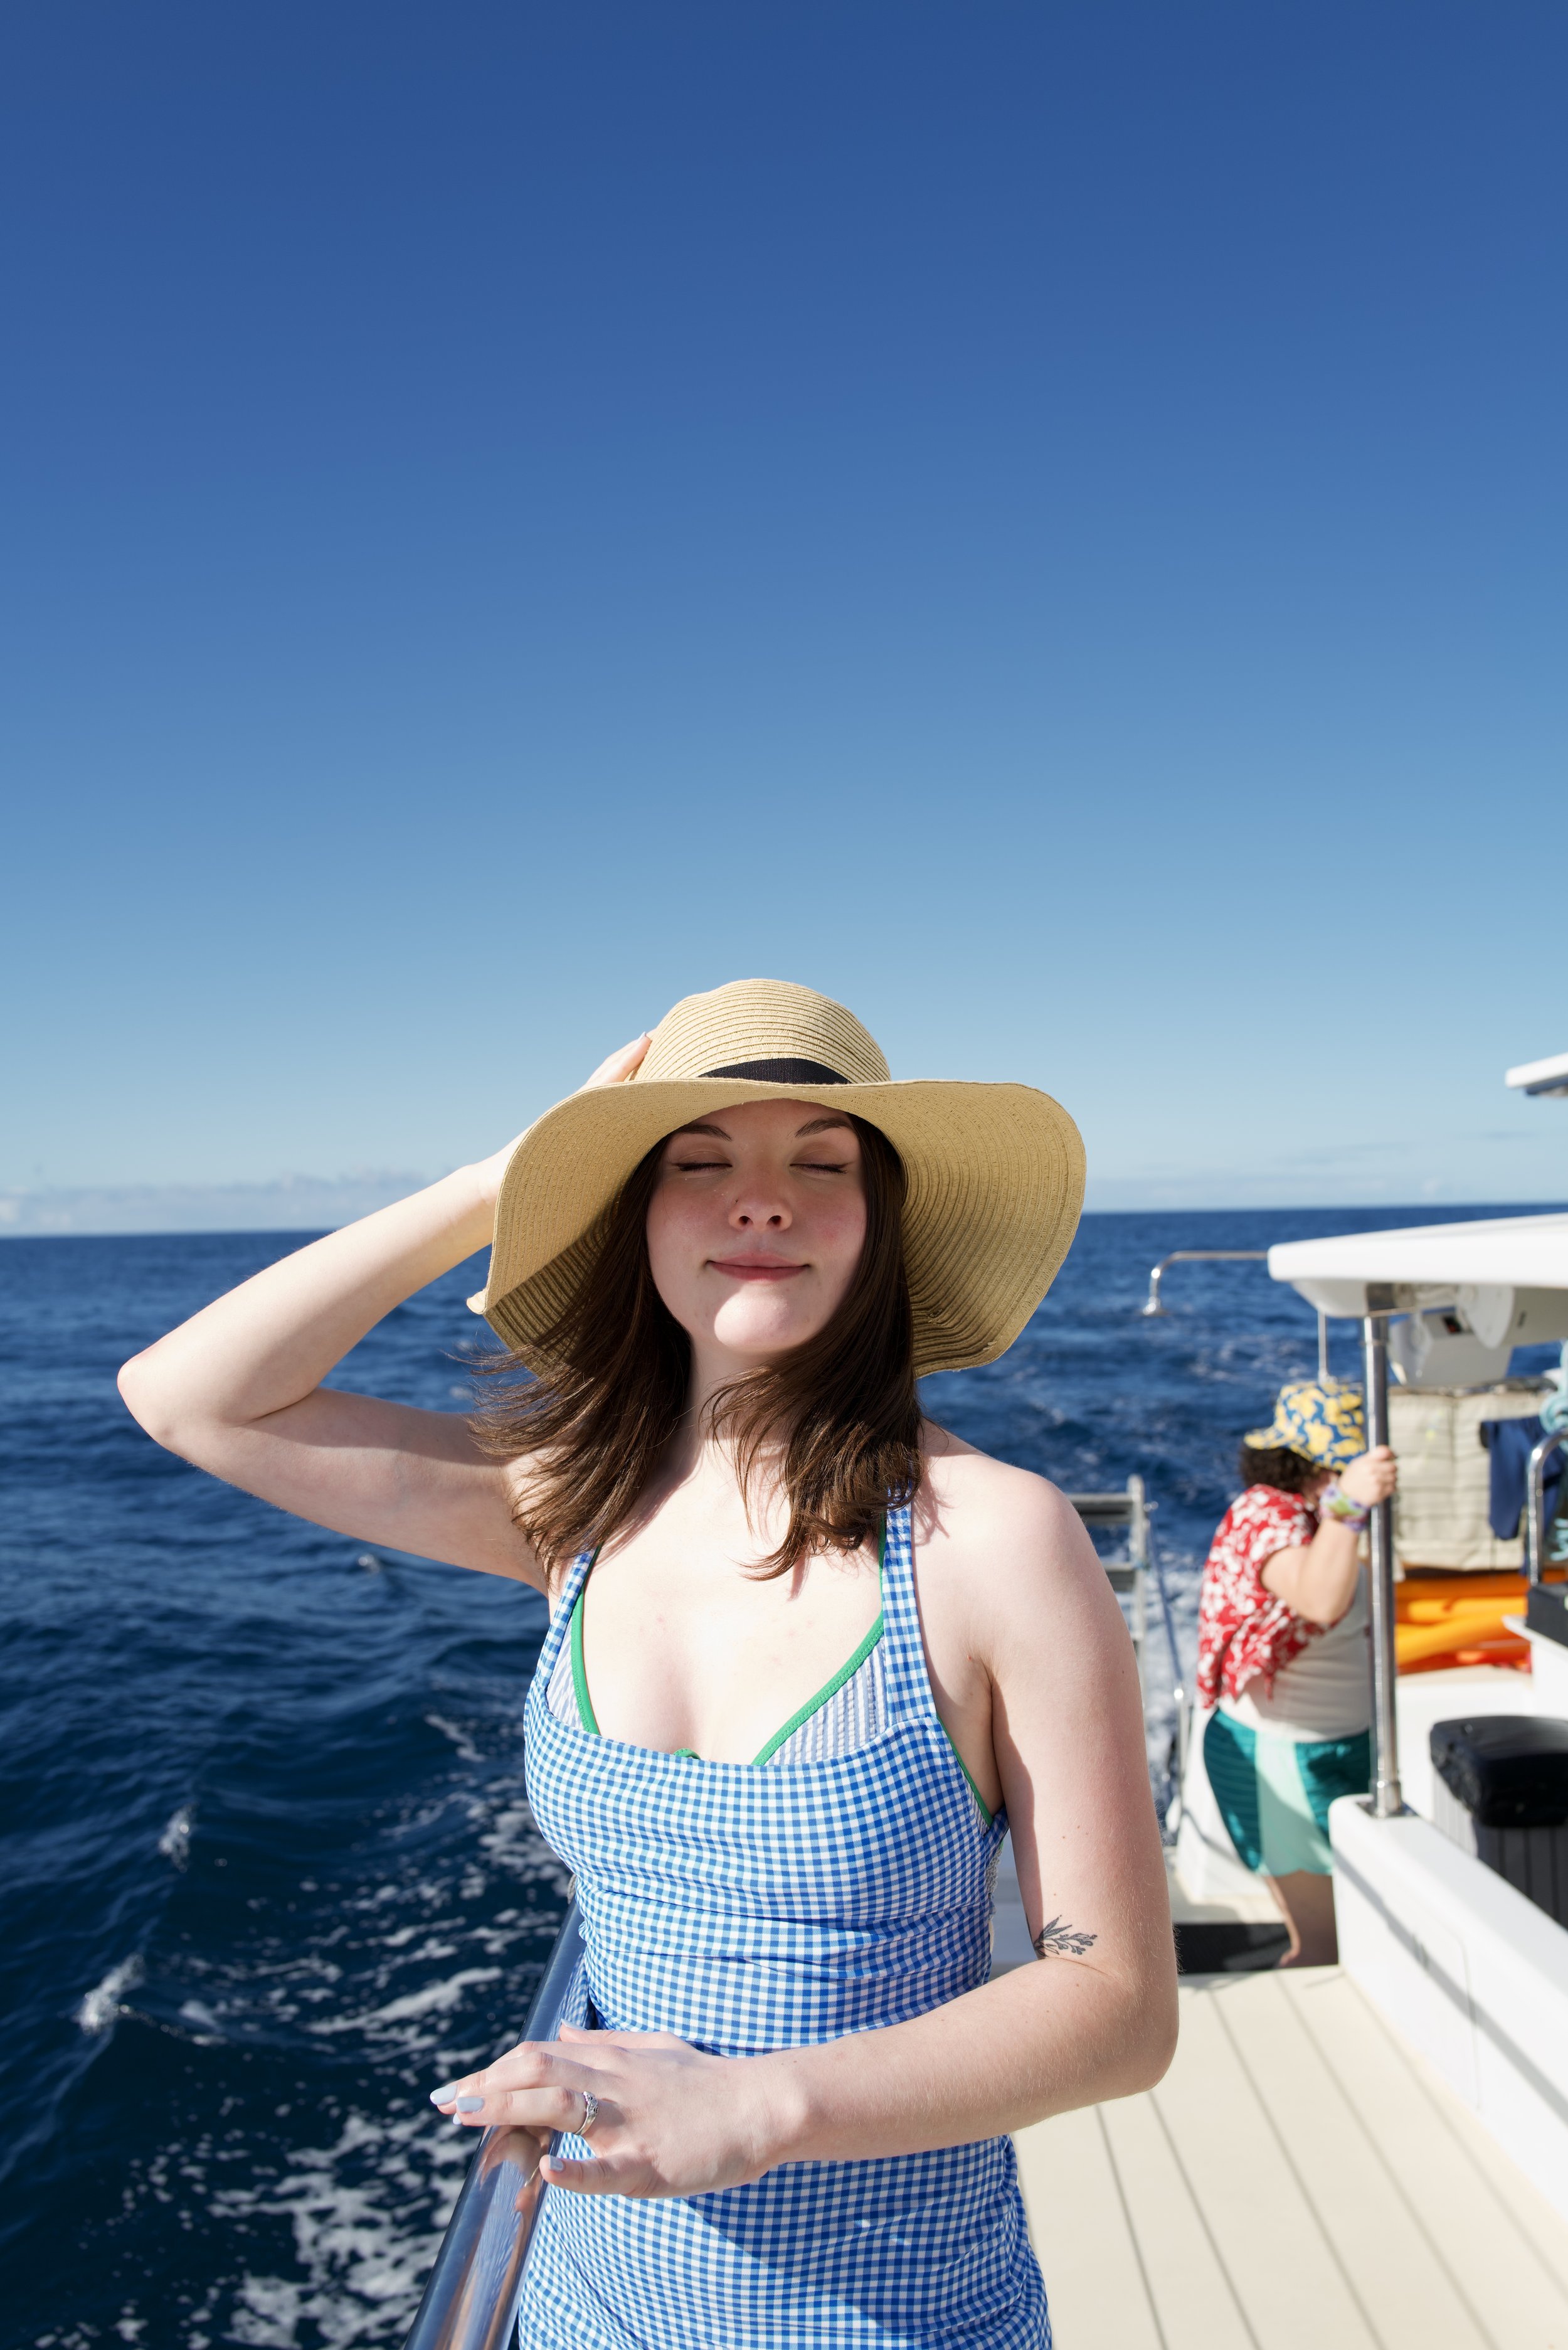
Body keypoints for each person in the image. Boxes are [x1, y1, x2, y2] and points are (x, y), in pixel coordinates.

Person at [119, 977, 1176, 2350]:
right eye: (696, 1162)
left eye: (819, 1161)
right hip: (577, 2298)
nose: (759, 1199)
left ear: (883, 1227)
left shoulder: (991, 1543)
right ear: (635, 1218)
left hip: (894, 2318)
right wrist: (508, 1173)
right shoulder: (571, 1506)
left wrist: (756, 2106)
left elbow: (1115, 2006)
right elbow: (190, 1397)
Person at [1196, 1378, 1397, 1967]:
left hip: (1347, 1746)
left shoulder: (1337, 1513)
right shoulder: (1265, 1513)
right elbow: (1318, 1596)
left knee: (1362, 1924)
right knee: (1325, 1945)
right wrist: (1349, 1504)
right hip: (1278, 1759)